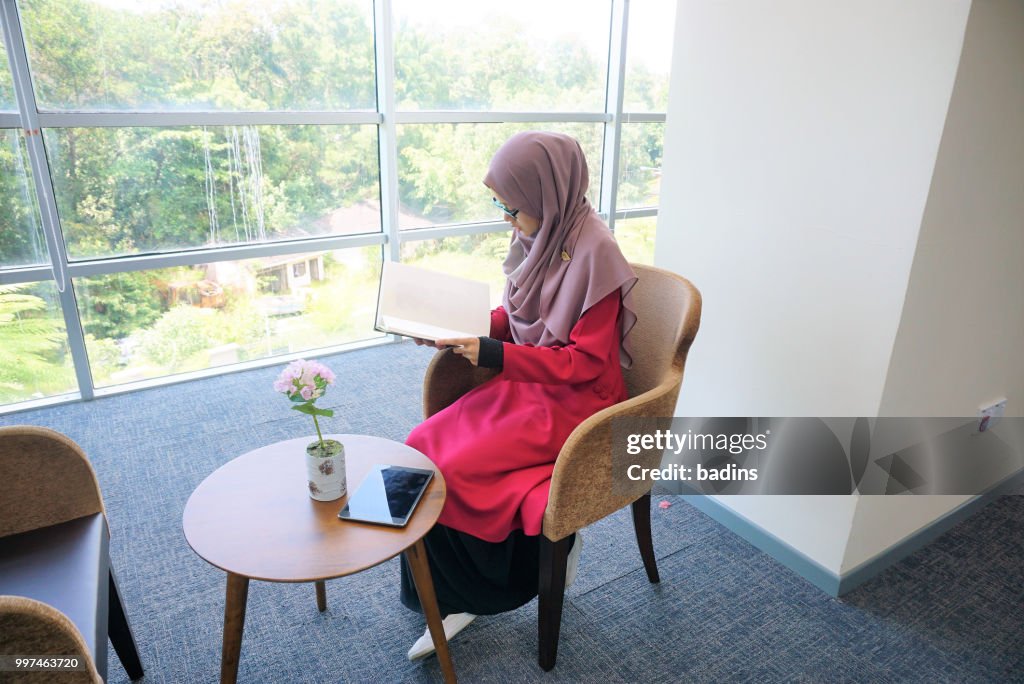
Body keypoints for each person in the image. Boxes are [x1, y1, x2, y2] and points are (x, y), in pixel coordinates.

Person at [400, 131, 638, 660]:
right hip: (530, 382)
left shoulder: (596, 251)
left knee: (458, 466)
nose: (507, 218)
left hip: (577, 401)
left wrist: (493, 355)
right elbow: (519, 318)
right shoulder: (540, 233)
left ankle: (472, 596)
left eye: (513, 207)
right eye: (501, 205)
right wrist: (453, 328)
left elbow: (582, 363)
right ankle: (437, 586)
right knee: (418, 443)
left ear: (547, 196)